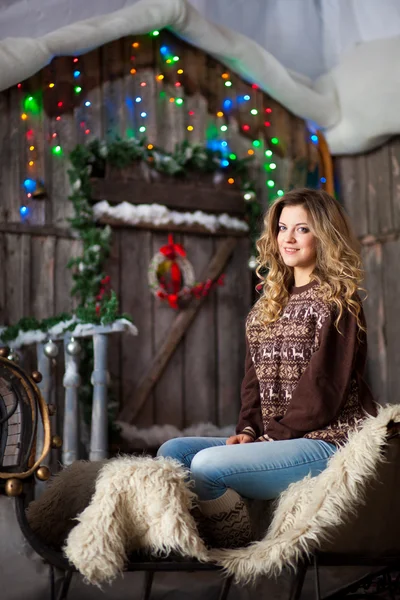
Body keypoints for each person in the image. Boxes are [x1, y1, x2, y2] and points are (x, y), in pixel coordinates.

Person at [158, 188, 377, 548]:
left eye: (302, 229)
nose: (288, 238)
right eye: (282, 228)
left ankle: (234, 553)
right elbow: (253, 385)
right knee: (174, 452)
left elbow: (323, 390)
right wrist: (247, 429)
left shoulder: (338, 301)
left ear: (325, 235)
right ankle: (203, 544)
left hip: (326, 441)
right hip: (275, 437)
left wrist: (271, 436)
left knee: (208, 467)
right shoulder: (267, 306)